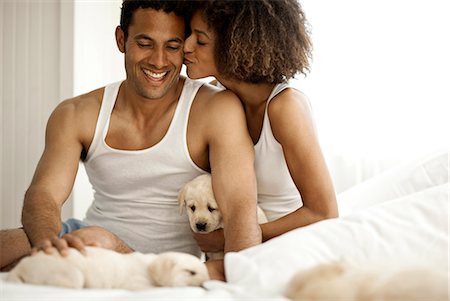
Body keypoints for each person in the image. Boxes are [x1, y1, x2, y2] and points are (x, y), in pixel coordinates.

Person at [0, 0, 262, 280]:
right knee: (7, 244)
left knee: (98, 241)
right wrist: (49, 248)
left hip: (156, 263)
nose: (158, 61)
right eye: (145, 43)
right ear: (121, 39)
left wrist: (238, 282)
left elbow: (238, 210)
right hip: (85, 238)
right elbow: (44, 195)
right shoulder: (75, 113)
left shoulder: (217, 109)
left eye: (172, 46)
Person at [183, 0, 338, 253]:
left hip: (295, 247)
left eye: (200, 41)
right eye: (189, 34)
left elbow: (324, 213)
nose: (186, 46)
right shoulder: (216, 98)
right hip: (242, 250)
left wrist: (235, 237)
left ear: (236, 46)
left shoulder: (285, 107)